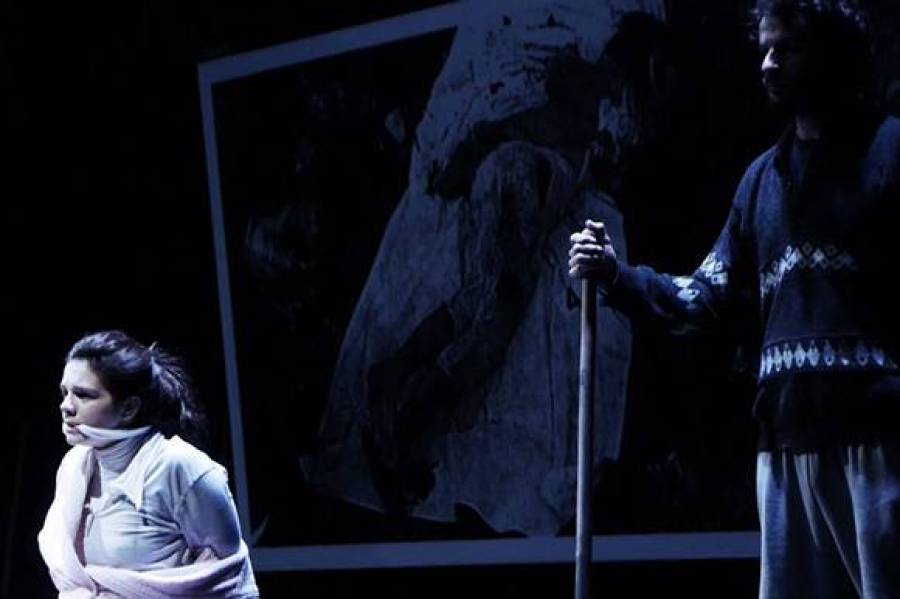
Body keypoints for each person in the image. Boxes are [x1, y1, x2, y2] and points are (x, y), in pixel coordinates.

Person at [569, 1, 900, 598]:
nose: (768, 64)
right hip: (784, 445)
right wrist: (617, 276)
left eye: (787, 49)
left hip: (879, 441)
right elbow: (704, 296)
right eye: (764, 49)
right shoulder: (761, 181)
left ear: (832, 52)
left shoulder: (890, 150)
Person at [38, 330, 259, 598]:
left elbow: (231, 581)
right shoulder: (74, 466)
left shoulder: (179, 467)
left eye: (84, 395)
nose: (66, 406)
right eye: (65, 392)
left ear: (129, 408)